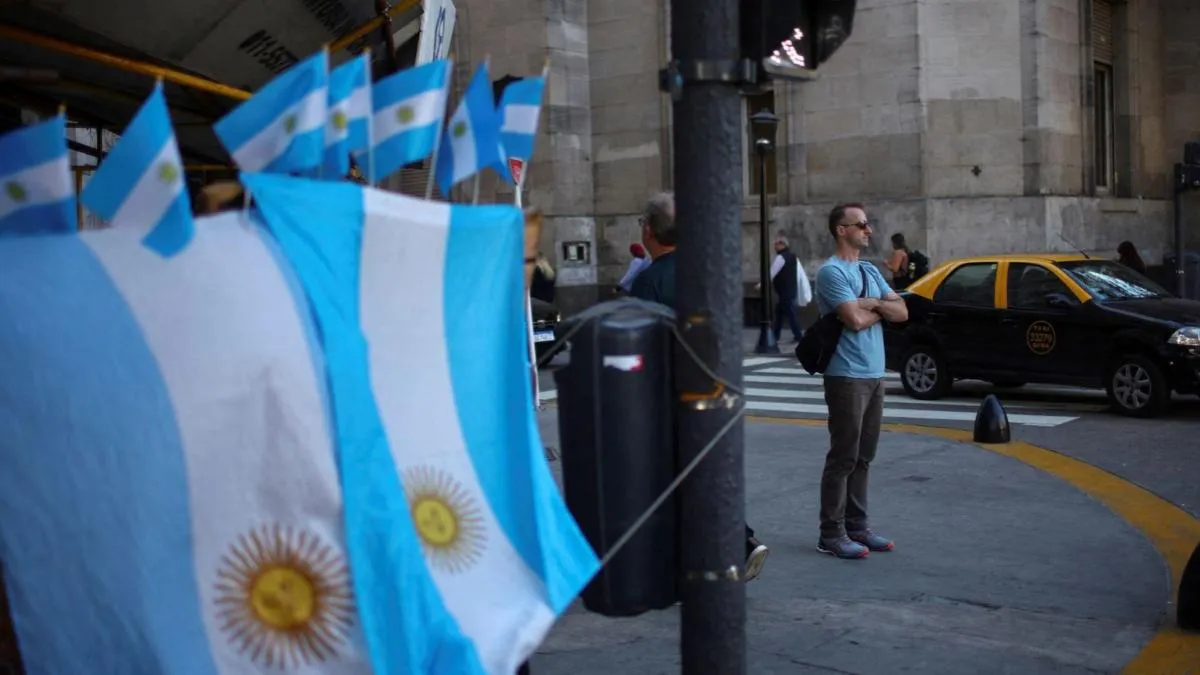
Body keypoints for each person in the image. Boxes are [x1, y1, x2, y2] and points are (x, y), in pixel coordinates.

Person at [630, 191, 771, 581]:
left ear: (648, 230)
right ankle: (738, 542)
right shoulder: (708, 271)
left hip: (668, 395)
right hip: (713, 390)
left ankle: (727, 548)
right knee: (704, 474)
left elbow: (641, 347)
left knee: (673, 478)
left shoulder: (648, 281)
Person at [814, 203, 908, 559]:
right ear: (842, 230)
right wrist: (876, 307)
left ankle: (857, 526)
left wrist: (871, 304)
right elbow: (853, 320)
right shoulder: (831, 272)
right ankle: (831, 533)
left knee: (864, 456)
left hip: (874, 373)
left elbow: (902, 311)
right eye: (862, 224)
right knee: (844, 456)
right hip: (846, 375)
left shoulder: (868, 269)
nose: (869, 230)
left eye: (868, 224)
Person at [765, 234, 806, 343]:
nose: (774, 246)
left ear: (782, 244)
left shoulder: (781, 257)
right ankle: (776, 335)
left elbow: (772, 273)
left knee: (790, 314)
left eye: (776, 244)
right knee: (779, 313)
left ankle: (798, 336)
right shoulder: (793, 256)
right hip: (790, 289)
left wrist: (761, 284)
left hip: (784, 291)